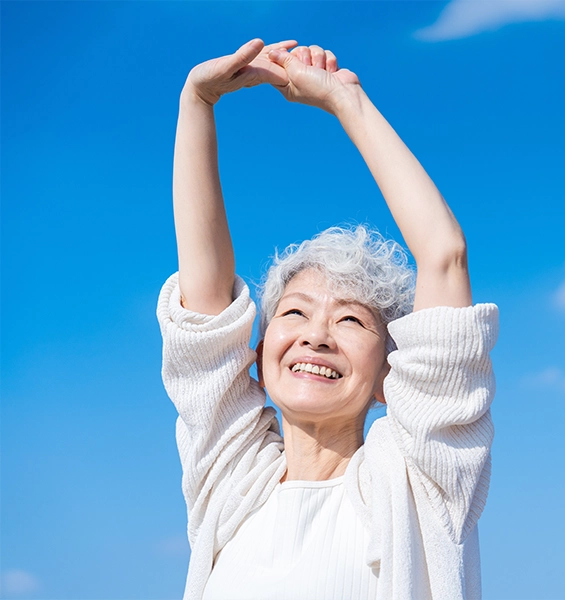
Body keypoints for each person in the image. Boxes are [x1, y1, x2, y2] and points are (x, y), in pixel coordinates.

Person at [157, 39, 499, 600]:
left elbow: (443, 253)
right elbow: (204, 307)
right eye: (295, 312)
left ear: (394, 375)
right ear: (260, 359)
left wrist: (346, 103)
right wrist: (197, 102)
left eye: (351, 322)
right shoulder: (232, 482)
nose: (316, 336)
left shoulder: (418, 482)